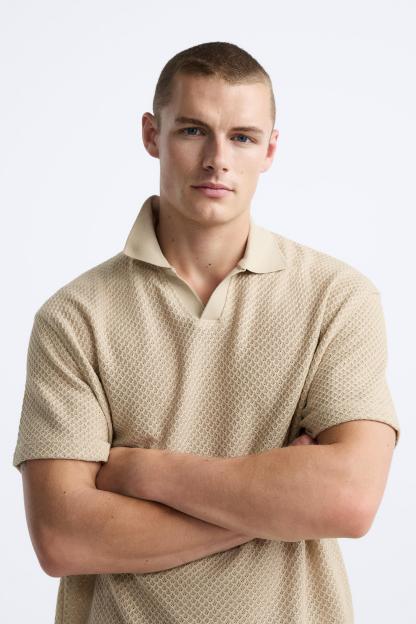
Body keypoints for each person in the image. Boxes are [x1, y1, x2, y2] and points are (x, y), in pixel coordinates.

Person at [13, 41, 400, 624]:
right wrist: (279, 506)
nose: (218, 159)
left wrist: (144, 473)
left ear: (270, 149)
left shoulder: (336, 299)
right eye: (193, 131)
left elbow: (348, 500)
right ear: (152, 135)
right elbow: (63, 538)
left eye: (242, 137)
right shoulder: (74, 317)